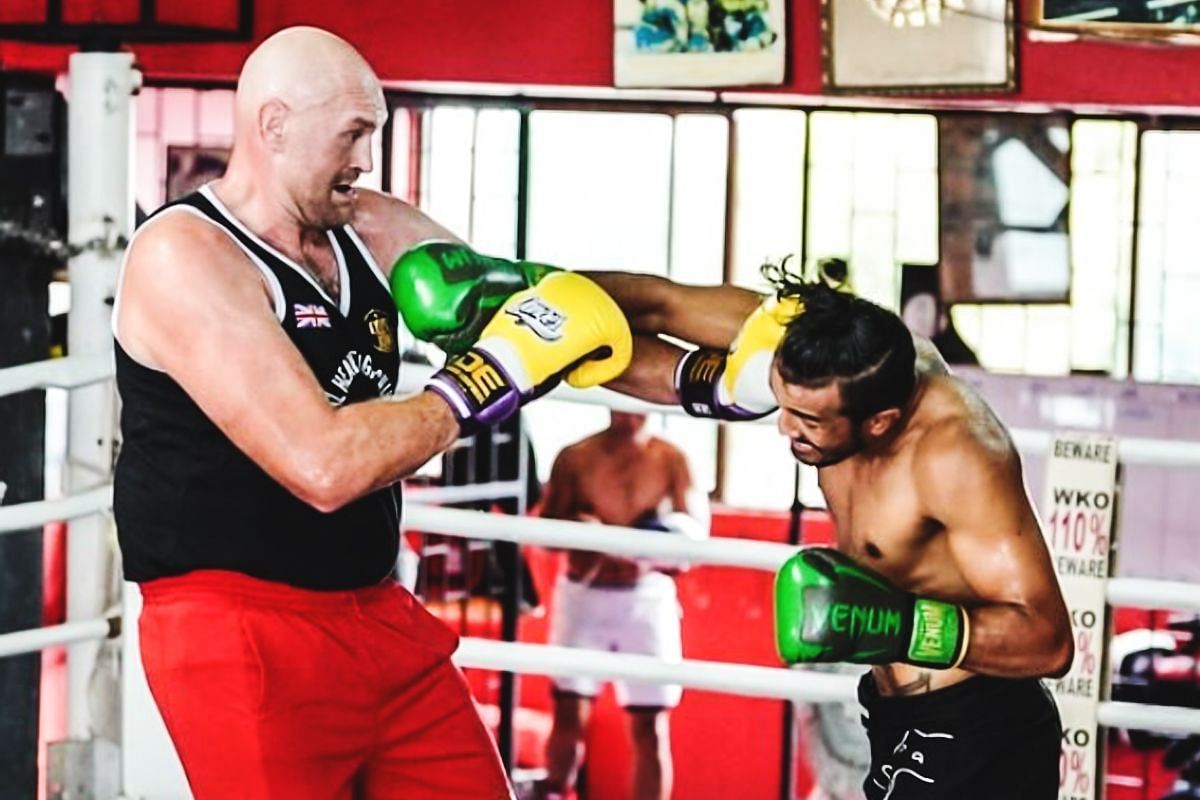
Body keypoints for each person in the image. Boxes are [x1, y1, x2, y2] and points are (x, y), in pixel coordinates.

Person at [111, 26, 631, 800]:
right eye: (352, 133)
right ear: (274, 124)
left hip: (374, 605)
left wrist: (724, 372)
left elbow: (547, 313)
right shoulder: (186, 255)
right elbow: (324, 465)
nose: (367, 156)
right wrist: (488, 377)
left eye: (374, 132)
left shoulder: (371, 227)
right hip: (238, 629)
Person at [402, 262, 1074, 799]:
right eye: (784, 408)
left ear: (880, 422)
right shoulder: (831, 358)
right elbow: (659, 307)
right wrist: (523, 297)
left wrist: (898, 624)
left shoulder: (957, 454)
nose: (785, 429)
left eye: (809, 424)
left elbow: (1048, 641)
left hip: (983, 733)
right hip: (897, 717)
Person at [529, 411, 708, 800]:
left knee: (650, 726)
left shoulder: (672, 458)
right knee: (568, 714)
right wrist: (580, 529)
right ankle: (555, 791)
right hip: (583, 593)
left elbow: (695, 539)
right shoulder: (574, 457)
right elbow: (544, 533)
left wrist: (638, 547)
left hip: (645, 597)